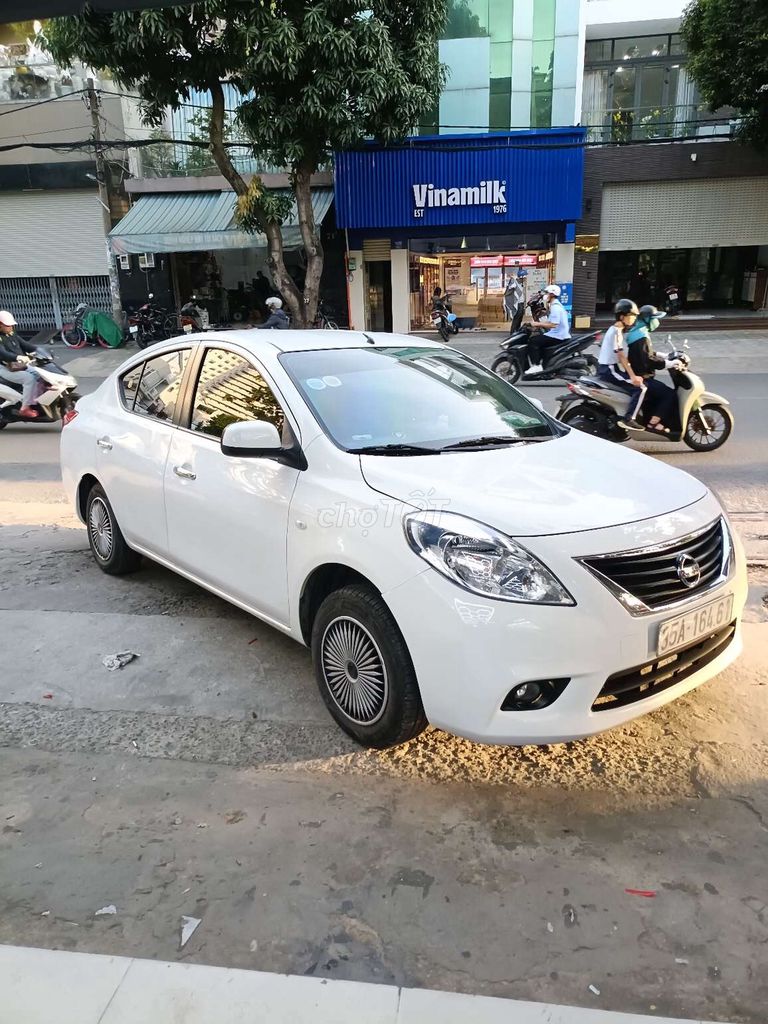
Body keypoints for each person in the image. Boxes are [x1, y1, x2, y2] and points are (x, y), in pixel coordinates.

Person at [623, 304, 680, 433]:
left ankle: (651, 418)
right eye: (654, 318)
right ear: (647, 319)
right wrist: (667, 364)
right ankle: (654, 423)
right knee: (669, 394)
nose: (657, 321)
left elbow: (646, 354)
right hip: (642, 376)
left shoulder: (637, 332)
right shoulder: (641, 336)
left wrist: (662, 355)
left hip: (639, 373)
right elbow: (648, 360)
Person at [596, 298, 646, 427]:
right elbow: (621, 355)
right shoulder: (617, 330)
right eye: (632, 316)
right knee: (641, 388)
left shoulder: (616, 329)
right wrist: (633, 376)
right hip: (609, 370)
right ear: (622, 316)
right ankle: (629, 419)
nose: (634, 319)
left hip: (609, 368)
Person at [523, 284, 570, 376]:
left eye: (547, 293)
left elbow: (553, 324)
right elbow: (550, 321)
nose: (545, 295)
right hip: (557, 334)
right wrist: (536, 326)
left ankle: (536, 365)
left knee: (533, 341)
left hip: (558, 335)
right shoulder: (553, 305)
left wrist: (537, 324)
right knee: (538, 338)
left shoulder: (556, 307)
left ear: (552, 294)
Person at [0, 310, 39, 418]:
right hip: (5, 368)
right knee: (29, 378)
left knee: (40, 374)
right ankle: (25, 408)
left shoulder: (12, 334)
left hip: (19, 366)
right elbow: (3, 353)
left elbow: (26, 345)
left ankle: (36, 401)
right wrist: (17, 357)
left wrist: (41, 351)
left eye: (11, 325)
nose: (10, 327)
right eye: (8, 325)